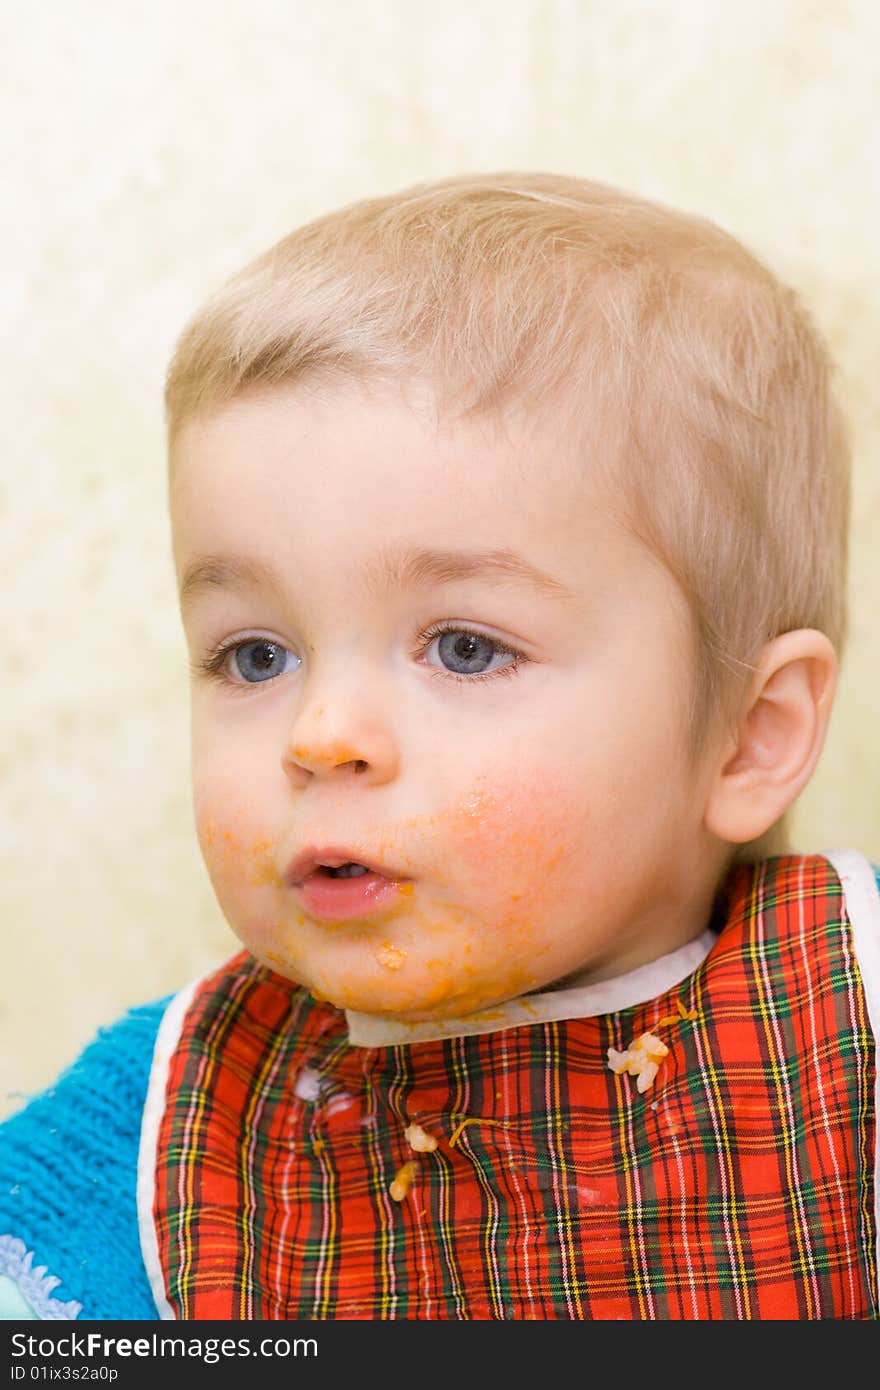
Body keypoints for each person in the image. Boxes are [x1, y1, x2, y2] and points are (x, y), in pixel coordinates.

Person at [1, 172, 877, 1322]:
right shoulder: (157, 1126)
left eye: (464, 648)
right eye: (257, 656)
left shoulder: (847, 1023)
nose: (322, 736)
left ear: (748, 737)